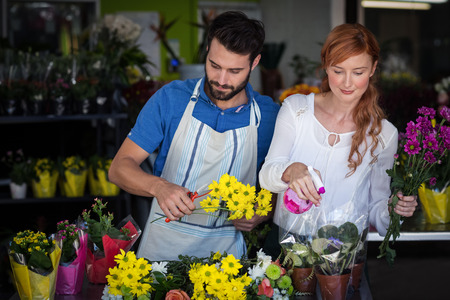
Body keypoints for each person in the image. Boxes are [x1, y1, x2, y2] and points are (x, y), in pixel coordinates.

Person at [108, 11, 280, 261]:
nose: (221, 80)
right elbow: (119, 168)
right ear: (207, 50)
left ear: (254, 63)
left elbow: (282, 187)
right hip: (161, 254)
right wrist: (159, 187)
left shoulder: (269, 116)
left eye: (234, 71)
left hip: (227, 264)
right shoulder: (171, 99)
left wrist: (262, 212)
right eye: (214, 65)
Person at [258, 23, 418, 259]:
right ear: (325, 65)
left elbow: (376, 208)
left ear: (373, 69)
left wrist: (394, 211)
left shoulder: (383, 134)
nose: (347, 82)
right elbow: (266, 176)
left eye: (358, 72)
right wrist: (290, 170)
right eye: (338, 70)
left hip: (343, 257)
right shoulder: (296, 109)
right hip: (284, 247)